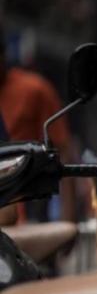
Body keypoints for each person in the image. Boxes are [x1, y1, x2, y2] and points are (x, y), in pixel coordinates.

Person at [0, 22, 77, 224]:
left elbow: (63, 153)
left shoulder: (35, 90)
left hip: (30, 211)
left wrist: (67, 221)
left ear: (4, 54)